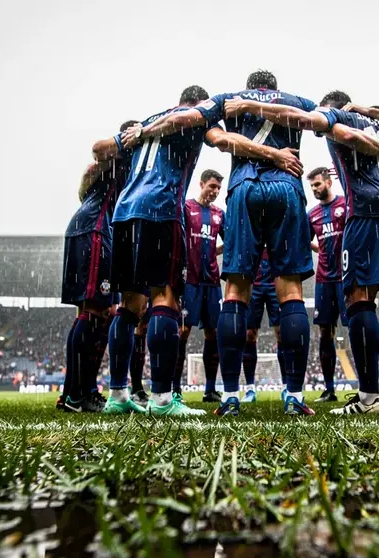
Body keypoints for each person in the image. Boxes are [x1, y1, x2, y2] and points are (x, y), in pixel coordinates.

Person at [95, 83, 304, 417]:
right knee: (165, 299)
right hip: (159, 210)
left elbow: (99, 148)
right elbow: (224, 141)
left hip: (124, 213)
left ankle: (117, 394)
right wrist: (274, 155)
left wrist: (130, 137)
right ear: (199, 104)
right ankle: (163, 399)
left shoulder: (147, 122)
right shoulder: (195, 118)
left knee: (129, 305)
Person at [224, 92, 379, 415]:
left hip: (370, 209)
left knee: (359, 298)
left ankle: (368, 399)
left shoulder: (343, 118)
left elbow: (310, 122)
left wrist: (252, 107)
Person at [59, 120, 137, 413]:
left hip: (91, 228)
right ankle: (78, 395)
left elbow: (88, 180)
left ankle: (76, 392)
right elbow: (92, 166)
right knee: (97, 311)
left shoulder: (128, 166)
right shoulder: (120, 155)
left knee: (94, 311)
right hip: (94, 229)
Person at [173, 169, 225, 404]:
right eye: (211, 186)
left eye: (218, 189)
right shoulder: (186, 208)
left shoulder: (219, 214)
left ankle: (210, 389)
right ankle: (175, 389)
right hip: (190, 282)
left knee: (213, 333)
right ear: (201, 184)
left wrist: (214, 251)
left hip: (212, 281)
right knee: (182, 332)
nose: (214, 191)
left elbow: (230, 241)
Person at [306, 167, 348, 402]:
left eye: (318, 184)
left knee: (356, 326)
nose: (315, 189)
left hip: (346, 277)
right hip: (324, 279)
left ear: (329, 182)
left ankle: (365, 386)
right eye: (312, 186)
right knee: (324, 331)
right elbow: (306, 241)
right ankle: (329, 388)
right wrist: (321, 248)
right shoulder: (312, 215)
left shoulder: (345, 205)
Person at [241, 249, 283, 403]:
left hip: (275, 282)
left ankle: (286, 388)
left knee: (281, 333)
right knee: (249, 334)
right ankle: (250, 389)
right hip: (254, 283)